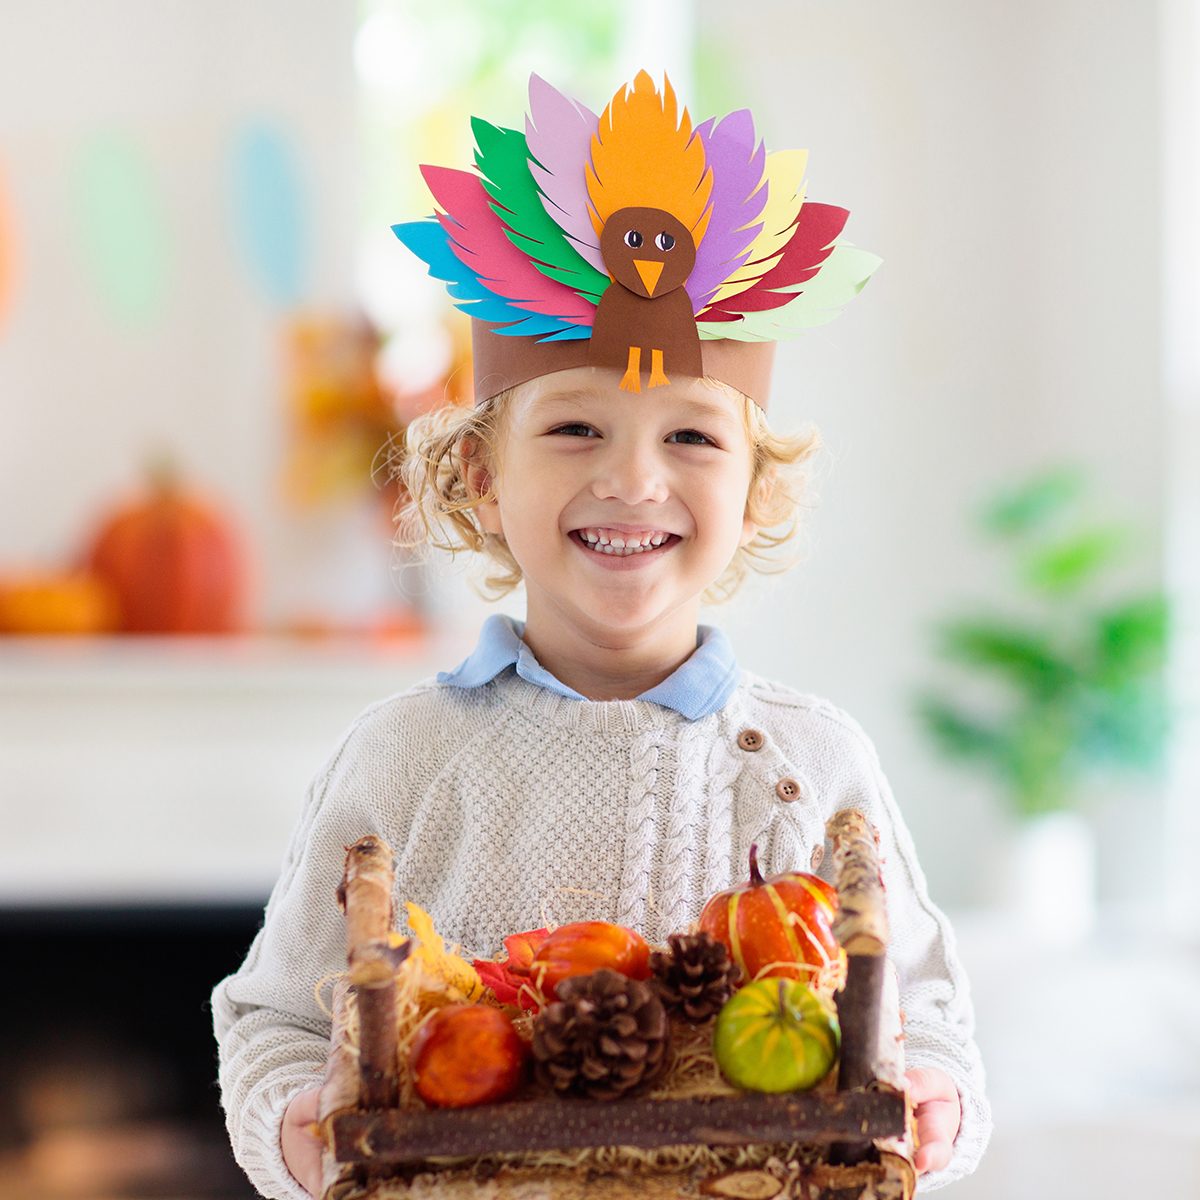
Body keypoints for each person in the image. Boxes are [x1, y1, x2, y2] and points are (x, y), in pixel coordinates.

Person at [211, 70, 991, 1199]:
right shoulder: (402, 758)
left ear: (757, 490)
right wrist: (298, 1126)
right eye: (575, 427)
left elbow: (924, 1008)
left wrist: (936, 1098)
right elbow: (276, 1016)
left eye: (692, 439)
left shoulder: (817, 764)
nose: (633, 477)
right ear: (480, 474)